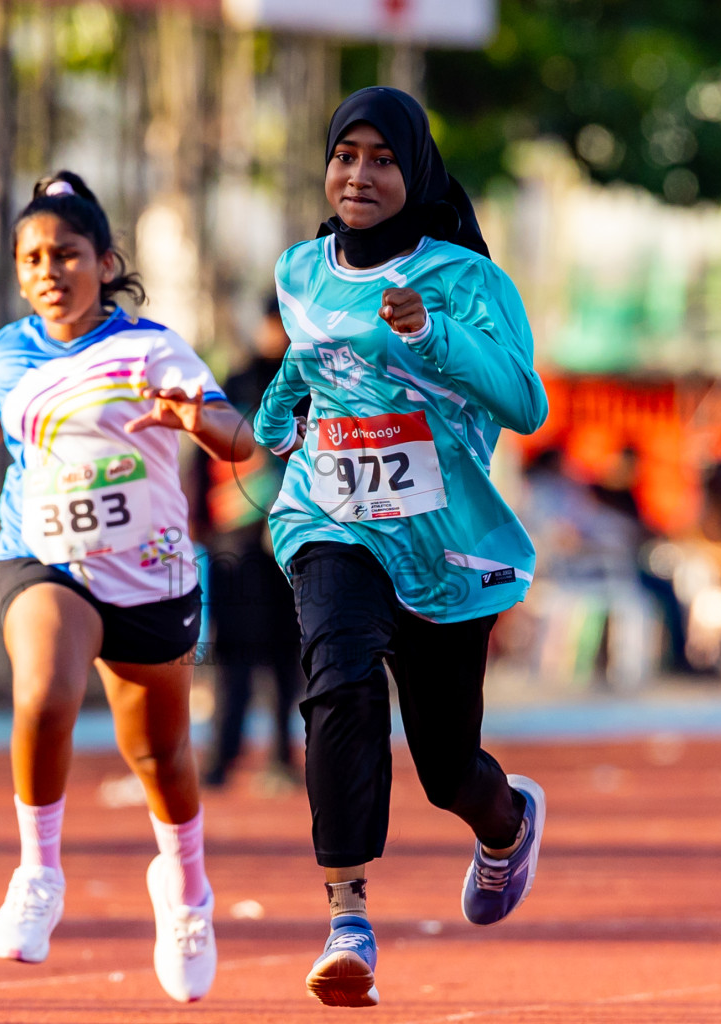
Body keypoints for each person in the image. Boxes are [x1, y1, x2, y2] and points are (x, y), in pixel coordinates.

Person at [0, 172, 253, 1003]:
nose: (47, 271)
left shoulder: (153, 348)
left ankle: (186, 888)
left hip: (150, 573)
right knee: (45, 690)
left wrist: (195, 417)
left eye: (65, 254)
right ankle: (39, 873)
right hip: (42, 559)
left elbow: (238, 439)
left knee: (159, 755)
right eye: (30, 259)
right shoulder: (10, 351)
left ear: (105, 262)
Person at [252, 87, 550, 1007]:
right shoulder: (299, 269)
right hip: (328, 520)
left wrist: (432, 332)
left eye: (382, 158)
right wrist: (275, 416)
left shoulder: (468, 281)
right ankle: (347, 918)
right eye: (346, 154)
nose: (359, 173)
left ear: (413, 171)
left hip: (444, 542)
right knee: (336, 680)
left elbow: (525, 403)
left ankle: (506, 823)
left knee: (445, 765)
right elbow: (306, 360)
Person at [193, 295, 305, 791]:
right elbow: (200, 452)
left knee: (288, 655)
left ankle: (283, 756)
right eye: (273, 323)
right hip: (236, 537)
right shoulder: (233, 384)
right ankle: (222, 757)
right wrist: (198, 516)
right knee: (233, 653)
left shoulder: (313, 384)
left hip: (296, 536)